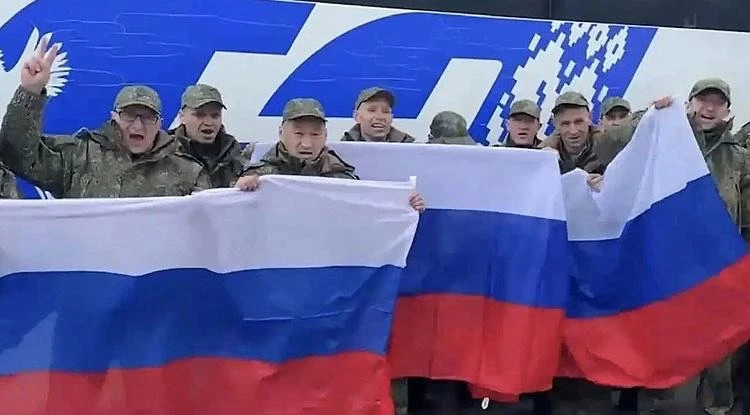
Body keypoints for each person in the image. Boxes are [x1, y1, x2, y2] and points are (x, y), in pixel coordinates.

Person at [0, 38, 209, 198]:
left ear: (160, 124)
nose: (138, 125)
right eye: (129, 115)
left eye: (147, 117)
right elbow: (18, 155)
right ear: (114, 117)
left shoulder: (187, 172)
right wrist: (31, 91)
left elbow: (209, 222)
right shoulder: (80, 157)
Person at [234, 97, 425, 210]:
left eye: (315, 134)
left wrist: (403, 202)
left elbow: (370, 207)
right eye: (298, 134)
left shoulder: (342, 178)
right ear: (281, 133)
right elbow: (227, 212)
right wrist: (238, 190)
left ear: (325, 136)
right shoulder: (257, 175)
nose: (307, 143)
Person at [169, 84, 246, 188]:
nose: (208, 123)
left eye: (215, 115)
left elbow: (249, 173)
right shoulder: (166, 149)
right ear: (182, 116)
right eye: (199, 115)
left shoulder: (230, 148)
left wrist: (245, 182)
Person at [341, 87, 416, 143]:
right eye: (372, 110)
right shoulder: (340, 151)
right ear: (357, 116)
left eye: (386, 111)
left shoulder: (411, 150)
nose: (380, 117)